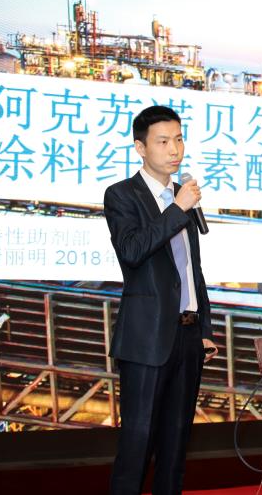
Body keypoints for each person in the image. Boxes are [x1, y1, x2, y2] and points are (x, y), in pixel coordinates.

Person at [104, 105, 218, 495]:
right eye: (164, 141)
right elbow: (132, 250)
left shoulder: (181, 198)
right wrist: (177, 208)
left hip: (188, 338)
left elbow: (191, 270)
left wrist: (204, 328)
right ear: (140, 147)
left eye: (179, 139)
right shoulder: (123, 195)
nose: (175, 149)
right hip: (146, 339)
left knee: (175, 448)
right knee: (137, 445)